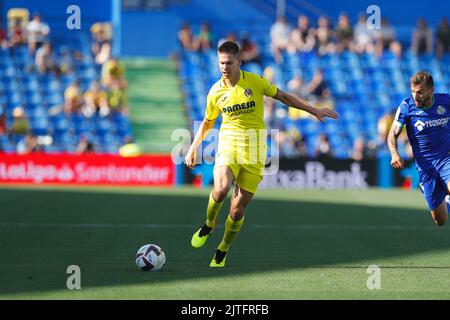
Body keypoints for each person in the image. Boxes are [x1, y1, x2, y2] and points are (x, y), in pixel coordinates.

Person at [185, 41, 338, 267]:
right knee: (220, 188)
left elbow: (284, 97)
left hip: (256, 151)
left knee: (237, 211)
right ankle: (208, 224)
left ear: (239, 62)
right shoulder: (215, 92)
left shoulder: (255, 82)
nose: (224, 67)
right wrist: (193, 147)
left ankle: (223, 249)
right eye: (221, 63)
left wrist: (313, 109)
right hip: (229, 146)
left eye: (228, 63)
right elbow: (208, 122)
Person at [387, 71, 450, 226]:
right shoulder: (406, 107)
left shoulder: (446, 101)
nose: (415, 96)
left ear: (431, 90)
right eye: (413, 92)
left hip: (446, 158)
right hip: (425, 166)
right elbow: (392, 133)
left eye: (420, 92)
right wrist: (394, 154)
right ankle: (443, 198)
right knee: (439, 220)